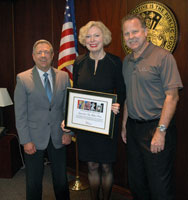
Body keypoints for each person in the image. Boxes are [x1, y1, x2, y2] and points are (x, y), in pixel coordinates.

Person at [121, 14, 183, 200]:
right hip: (133, 129)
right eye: (126, 33)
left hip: (156, 129)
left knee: (159, 188)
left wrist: (161, 131)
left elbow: (172, 97)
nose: (131, 37)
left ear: (146, 32)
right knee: (137, 184)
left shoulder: (163, 57)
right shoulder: (126, 61)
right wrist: (124, 125)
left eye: (135, 31)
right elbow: (128, 96)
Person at [65, 21, 126, 200]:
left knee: (106, 166)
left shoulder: (115, 62)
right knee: (91, 166)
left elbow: (122, 92)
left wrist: (118, 105)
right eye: (88, 36)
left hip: (107, 124)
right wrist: (70, 117)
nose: (92, 40)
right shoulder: (79, 62)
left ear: (104, 38)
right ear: (84, 40)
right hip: (86, 124)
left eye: (96, 35)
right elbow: (75, 92)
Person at [14, 39, 72, 200]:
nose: (43, 55)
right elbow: (20, 114)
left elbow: (68, 108)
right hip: (33, 138)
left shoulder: (63, 76)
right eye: (39, 52)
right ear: (33, 56)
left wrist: (69, 132)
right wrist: (25, 141)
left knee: (61, 180)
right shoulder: (23, 78)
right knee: (33, 182)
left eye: (47, 52)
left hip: (59, 135)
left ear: (53, 55)